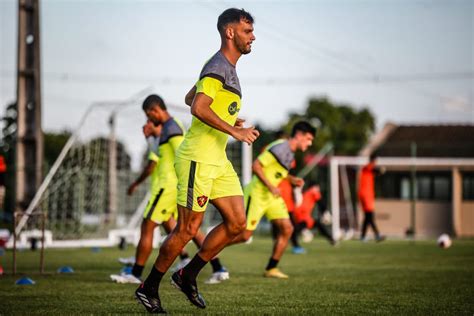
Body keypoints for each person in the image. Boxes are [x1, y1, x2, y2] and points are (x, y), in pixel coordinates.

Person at [135, 8, 259, 313]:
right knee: (187, 230)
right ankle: (148, 288)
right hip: (197, 160)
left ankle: (187, 274)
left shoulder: (223, 68)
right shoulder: (219, 65)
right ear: (230, 32)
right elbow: (198, 108)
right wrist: (233, 130)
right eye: (247, 31)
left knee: (239, 224)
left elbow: (193, 97)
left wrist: (230, 117)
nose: (253, 36)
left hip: (217, 160)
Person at [229, 121, 316, 279]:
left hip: (272, 197)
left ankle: (271, 268)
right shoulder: (281, 147)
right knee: (244, 236)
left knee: (287, 229)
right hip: (258, 193)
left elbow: (276, 172)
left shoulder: (290, 151)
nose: (310, 143)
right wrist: (270, 186)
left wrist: (291, 179)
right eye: (309, 139)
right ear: (299, 135)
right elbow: (256, 166)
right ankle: (209, 247)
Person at [291, 184, 336, 253]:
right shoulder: (313, 191)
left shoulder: (306, 193)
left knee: (318, 225)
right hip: (302, 216)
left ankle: (331, 239)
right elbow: (320, 202)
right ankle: (297, 246)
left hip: (300, 215)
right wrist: (325, 212)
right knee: (294, 230)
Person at [358, 152, 385, 242]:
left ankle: (363, 236)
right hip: (366, 195)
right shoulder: (368, 167)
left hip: (367, 194)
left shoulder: (369, 170)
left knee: (367, 217)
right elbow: (374, 170)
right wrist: (380, 170)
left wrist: (379, 172)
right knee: (370, 215)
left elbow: (375, 172)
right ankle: (376, 234)